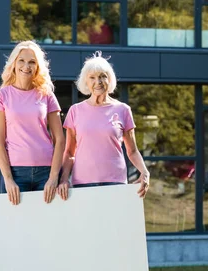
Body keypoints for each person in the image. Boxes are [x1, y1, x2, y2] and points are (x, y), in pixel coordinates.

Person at [57, 52, 150, 200]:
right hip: (83, 183)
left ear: (109, 79)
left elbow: (132, 151)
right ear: (86, 82)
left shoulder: (123, 110)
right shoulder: (75, 111)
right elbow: (69, 152)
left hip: (115, 182)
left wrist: (145, 172)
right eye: (92, 77)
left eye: (102, 76)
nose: (98, 82)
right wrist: (63, 179)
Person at [0, 41, 65, 205]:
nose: (26, 66)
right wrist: (8, 179)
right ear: (14, 64)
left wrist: (54, 177)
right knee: (17, 227)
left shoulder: (47, 95)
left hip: (46, 172)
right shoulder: (1, 96)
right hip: (16, 173)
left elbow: (59, 139)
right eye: (21, 61)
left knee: (46, 226)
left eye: (32, 62)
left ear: (38, 67)